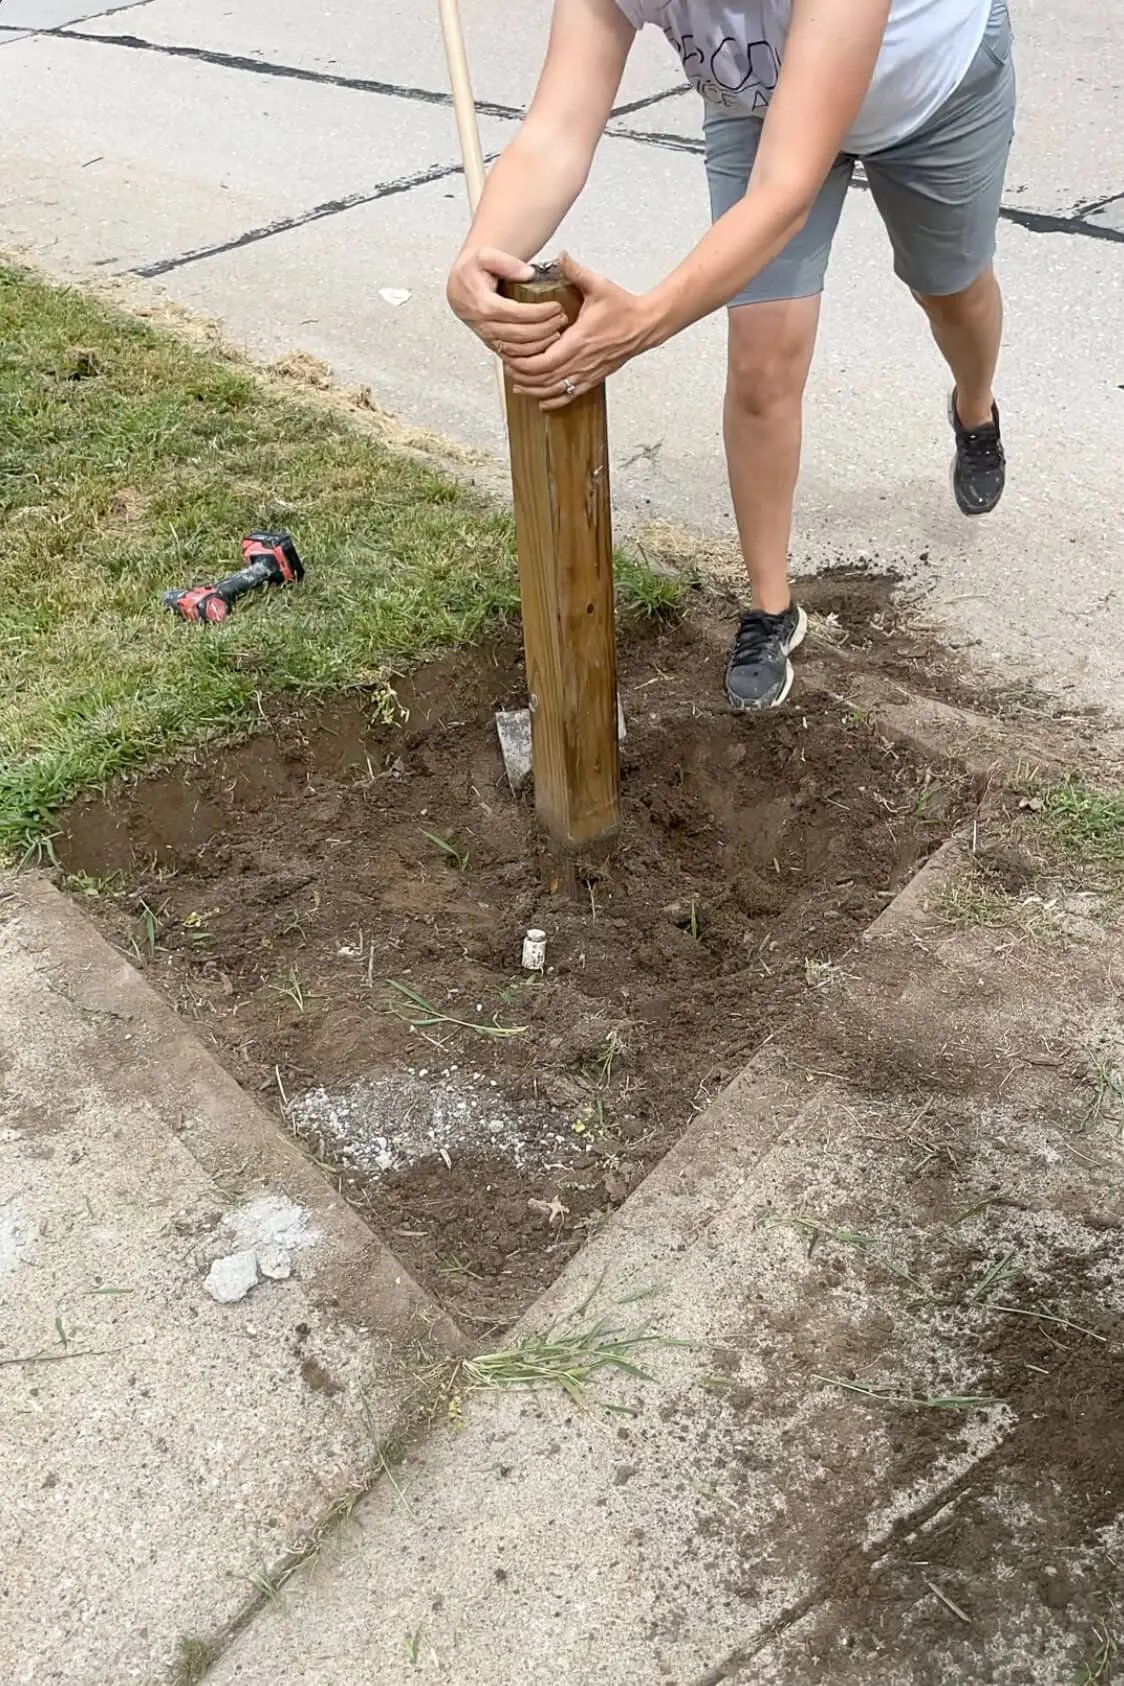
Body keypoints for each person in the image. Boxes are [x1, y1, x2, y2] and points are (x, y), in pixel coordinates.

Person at [446, 0, 1015, 710]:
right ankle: (773, 610)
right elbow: (555, 135)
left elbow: (785, 194)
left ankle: (974, 405)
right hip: (762, 101)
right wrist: (478, 255)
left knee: (950, 293)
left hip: (928, 92)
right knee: (762, 356)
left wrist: (648, 319)